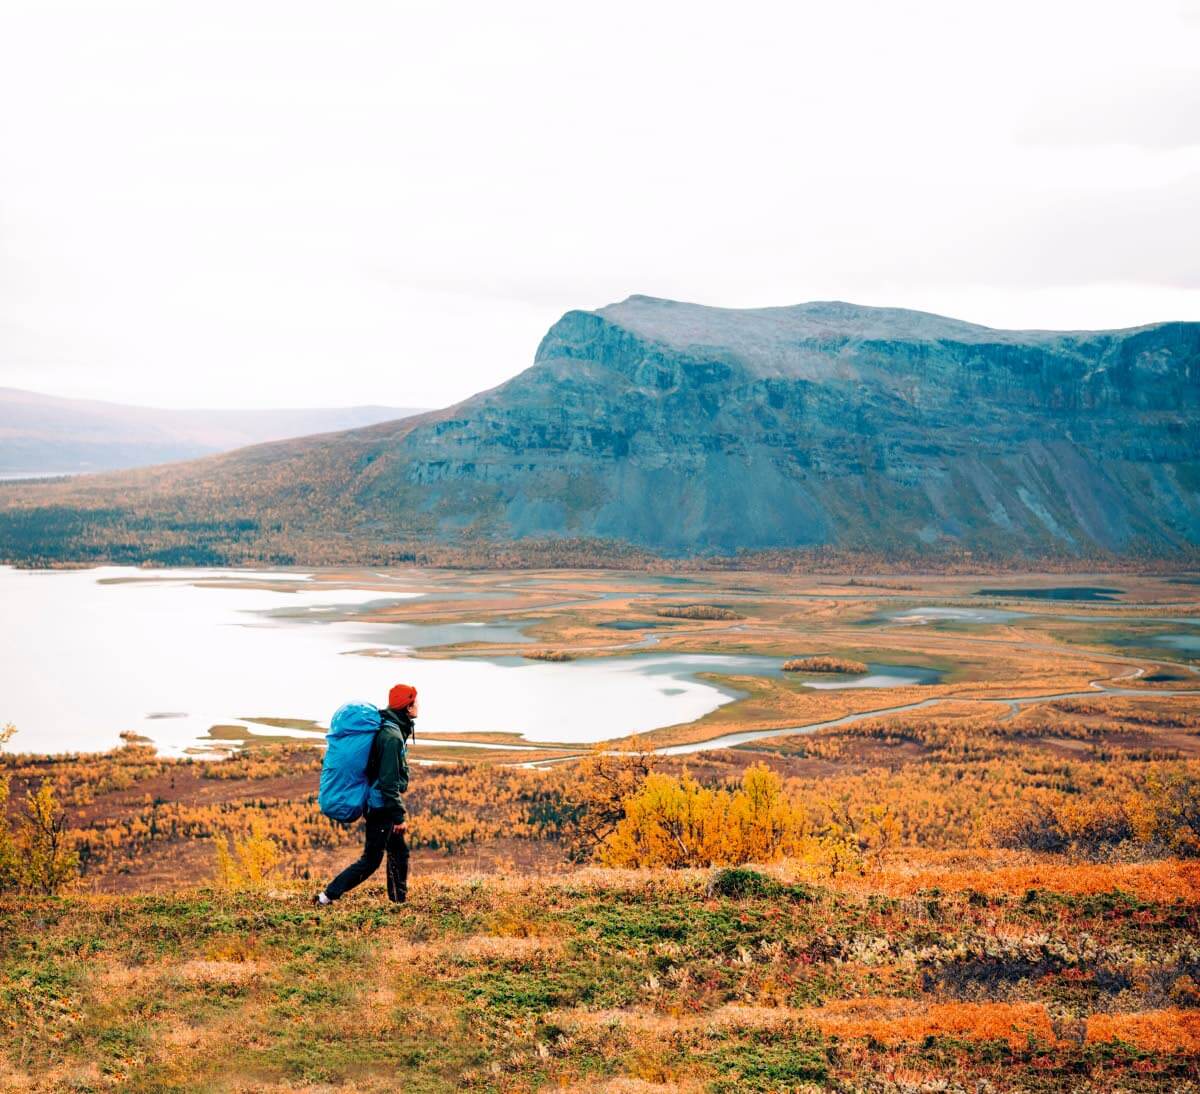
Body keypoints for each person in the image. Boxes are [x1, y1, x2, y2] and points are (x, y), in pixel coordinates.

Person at [314, 683, 416, 906]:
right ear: (407, 707)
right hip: (380, 805)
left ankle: (399, 902)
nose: (418, 705)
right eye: (414, 701)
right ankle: (327, 896)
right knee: (371, 860)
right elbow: (388, 782)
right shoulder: (392, 736)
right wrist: (398, 815)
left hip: (378, 802)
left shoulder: (392, 727)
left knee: (398, 852)